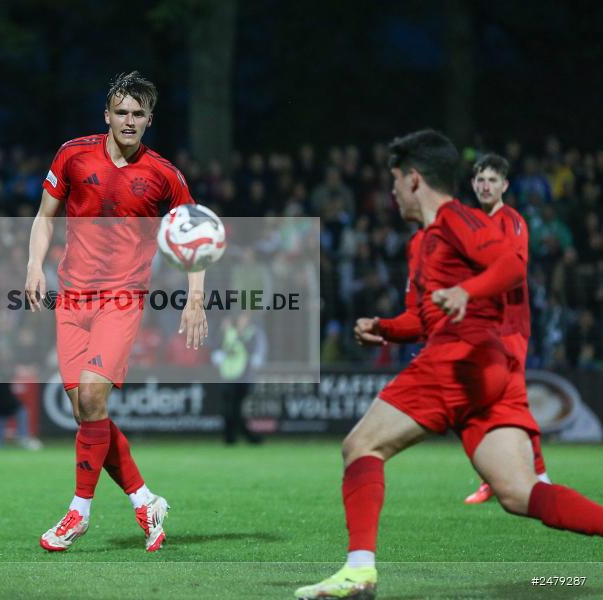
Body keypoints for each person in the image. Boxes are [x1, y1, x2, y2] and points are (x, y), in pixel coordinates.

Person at [295, 130, 603, 600]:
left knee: (361, 445)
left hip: (461, 358)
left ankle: (358, 572)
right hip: (487, 371)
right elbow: (421, 318)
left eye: (395, 181)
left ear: (414, 179)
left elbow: (511, 266)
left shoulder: (456, 219)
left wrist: (466, 291)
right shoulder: (421, 242)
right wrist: (385, 327)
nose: (392, 192)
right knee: (520, 492)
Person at [25, 71, 207, 553]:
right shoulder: (72, 154)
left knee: (90, 396)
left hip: (121, 299)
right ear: (106, 114)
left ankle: (78, 511)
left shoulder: (164, 175)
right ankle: (145, 500)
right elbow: (44, 216)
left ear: (149, 120)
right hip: (72, 298)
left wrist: (195, 297)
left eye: (138, 114)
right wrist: (34, 266)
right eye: (121, 111)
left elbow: (194, 236)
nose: (129, 120)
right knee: (87, 411)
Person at [464, 154, 550, 504]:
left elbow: (513, 270)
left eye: (492, 180)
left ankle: (538, 475)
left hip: (510, 326)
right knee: (482, 403)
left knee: (510, 400)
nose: (486, 186)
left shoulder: (512, 221)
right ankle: (494, 476)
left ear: (505, 186)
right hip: (481, 326)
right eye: (481, 180)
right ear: (473, 184)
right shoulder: (470, 224)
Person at [213, 313, 266, 445]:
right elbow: (216, 351)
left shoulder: (252, 334)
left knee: (235, 408)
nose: (242, 321)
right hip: (227, 376)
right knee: (230, 408)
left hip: (243, 377)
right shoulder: (227, 332)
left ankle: (234, 436)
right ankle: (237, 436)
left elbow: (256, 357)